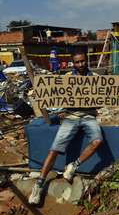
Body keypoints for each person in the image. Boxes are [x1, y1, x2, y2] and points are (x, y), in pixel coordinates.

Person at [28, 51, 103, 205]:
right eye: (77, 62)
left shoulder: (96, 79)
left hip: (88, 116)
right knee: (54, 149)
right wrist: (42, 93)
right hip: (70, 117)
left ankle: (73, 166)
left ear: (86, 61)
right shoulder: (67, 79)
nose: (81, 64)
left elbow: (101, 101)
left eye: (83, 61)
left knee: (97, 141)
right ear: (73, 63)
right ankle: (39, 185)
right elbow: (57, 95)